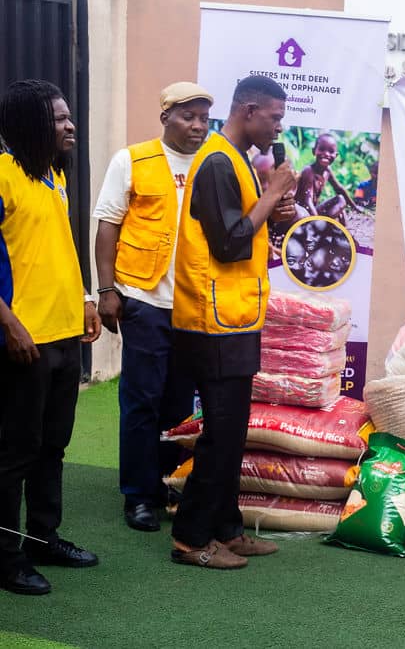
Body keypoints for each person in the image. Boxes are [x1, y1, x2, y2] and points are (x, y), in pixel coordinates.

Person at [169, 75, 297, 569]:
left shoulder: (237, 159)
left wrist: (276, 210)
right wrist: (273, 192)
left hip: (235, 315)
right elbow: (228, 244)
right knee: (221, 434)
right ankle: (190, 539)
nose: (279, 126)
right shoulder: (218, 162)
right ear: (248, 110)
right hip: (212, 320)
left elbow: (247, 228)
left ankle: (226, 528)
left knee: (232, 432)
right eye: (275, 117)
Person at [93, 82, 213, 532]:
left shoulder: (212, 163)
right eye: (188, 116)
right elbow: (108, 224)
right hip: (143, 298)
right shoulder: (132, 160)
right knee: (141, 398)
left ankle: (165, 482)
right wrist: (107, 289)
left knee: (179, 404)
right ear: (165, 118)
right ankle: (138, 495)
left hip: (193, 304)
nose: (197, 126)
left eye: (203, 118)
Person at [0, 80, 102, 595]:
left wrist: (85, 298)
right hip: (25, 339)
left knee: (52, 447)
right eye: (59, 118)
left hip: (63, 333)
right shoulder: (3, 174)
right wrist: (8, 323)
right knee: (15, 453)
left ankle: (43, 538)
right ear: (30, 123)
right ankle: (5, 558)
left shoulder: (52, 176)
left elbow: (58, 245)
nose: (70, 125)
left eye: (68, 115)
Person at [294, 133, 356, 221]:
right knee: (339, 207)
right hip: (302, 213)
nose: (326, 154)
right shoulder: (308, 171)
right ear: (314, 151)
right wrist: (316, 221)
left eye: (331, 151)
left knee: (340, 200)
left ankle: (340, 227)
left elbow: (339, 189)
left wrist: (355, 207)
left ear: (336, 155)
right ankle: (320, 225)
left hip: (313, 212)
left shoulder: (327, 171)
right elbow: (307, 201)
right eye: (322, 149)